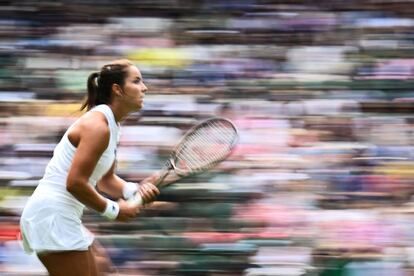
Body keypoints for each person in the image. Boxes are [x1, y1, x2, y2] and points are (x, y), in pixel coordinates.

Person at [20, 59, 160, 276]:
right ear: (118, 90)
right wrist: (115, 211)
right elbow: (74, 183)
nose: (145, 87)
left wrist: (134, 190)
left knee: (104, 269)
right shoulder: (98, 126)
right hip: (52, 215)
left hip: (58, 215)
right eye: (137, 81)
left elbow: (106, 180)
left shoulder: (112, 125)